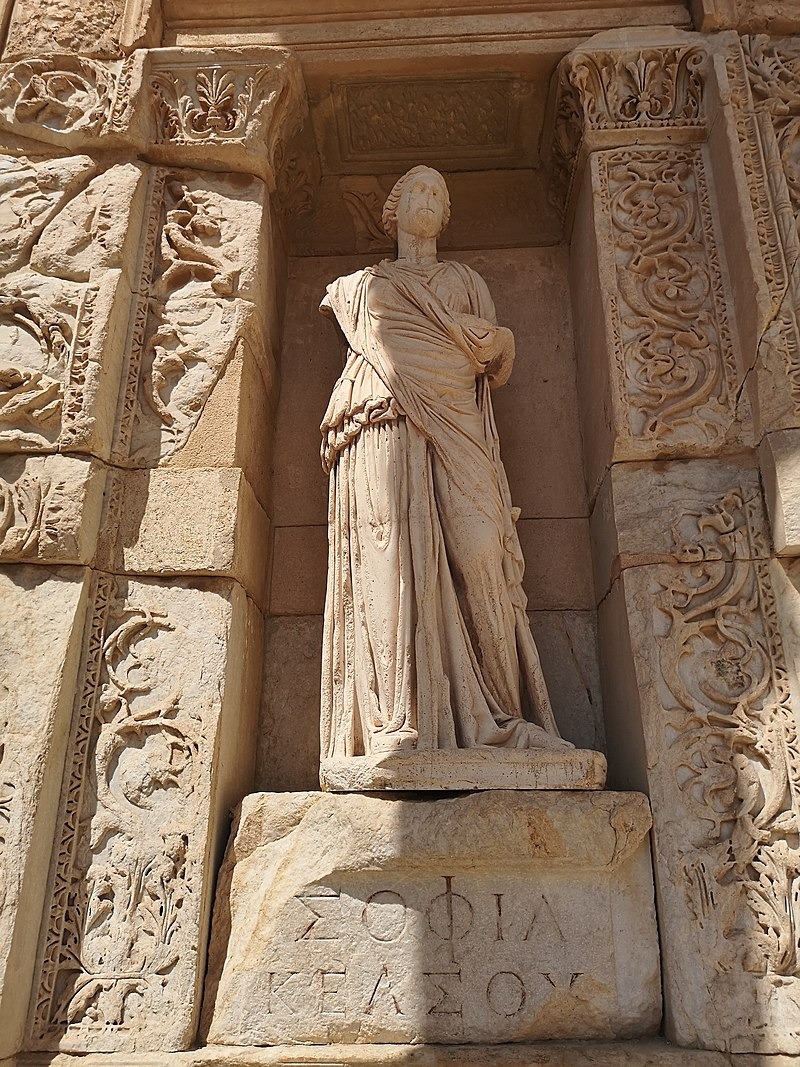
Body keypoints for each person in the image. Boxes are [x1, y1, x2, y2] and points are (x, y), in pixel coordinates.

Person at [319, 164, 572, 762]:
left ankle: (501, 717)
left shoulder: (465, 281)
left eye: (440, 194)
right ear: (394, 207)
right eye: (418, 192)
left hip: (458, 423)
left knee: (483, 550)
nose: (429, 202)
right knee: (386, 559)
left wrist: (499, 343)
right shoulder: (356, 287)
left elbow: (489, 364)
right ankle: (391, 721)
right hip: (377, 415)